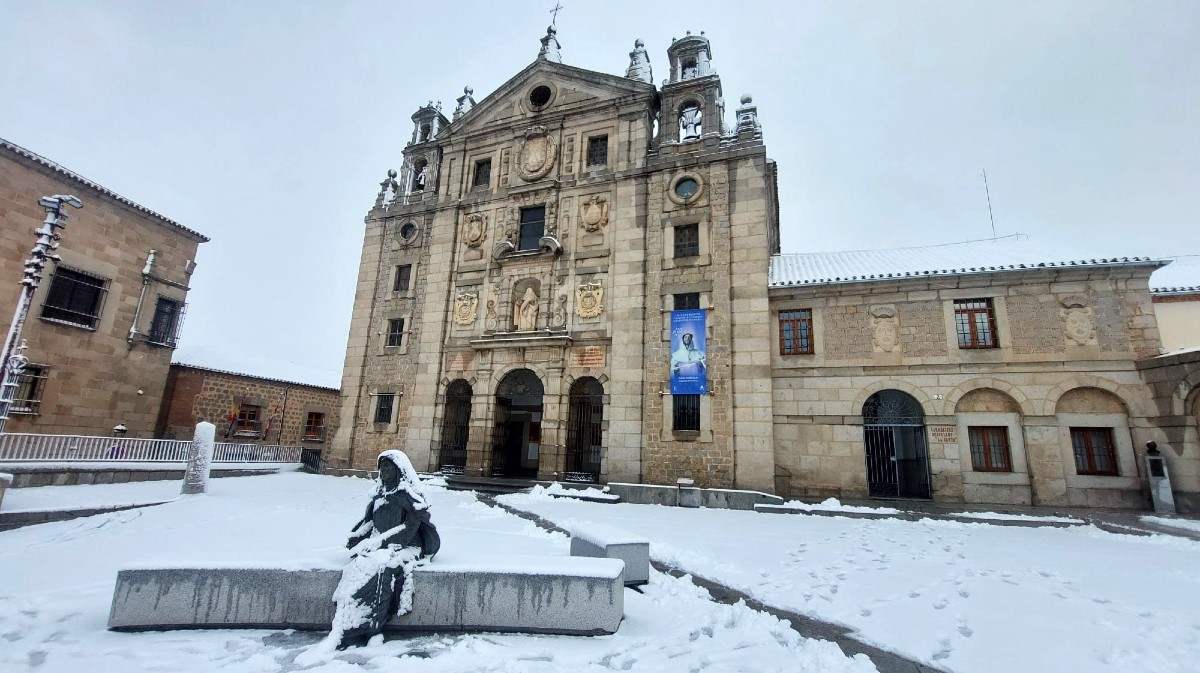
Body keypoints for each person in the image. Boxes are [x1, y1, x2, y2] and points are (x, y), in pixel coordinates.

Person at [330, 450, 440, 650]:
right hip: (380, 545)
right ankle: (347, 622)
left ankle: (372, 626)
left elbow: (408, 531)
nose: (384, 470)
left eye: (389, 466)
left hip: (407, 547)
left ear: (399, 470)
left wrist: (377, 543)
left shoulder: (409, 497)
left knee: (384, 568)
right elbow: (369, 522)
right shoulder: (379, 494)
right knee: (357, 567)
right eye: (382, 467)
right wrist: (358, 537)